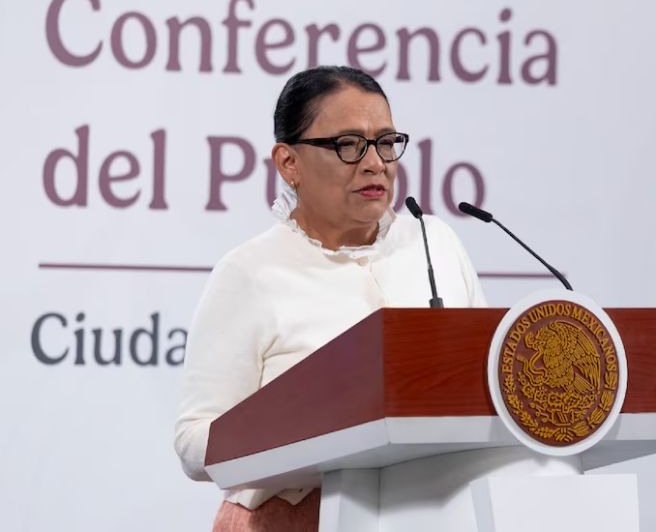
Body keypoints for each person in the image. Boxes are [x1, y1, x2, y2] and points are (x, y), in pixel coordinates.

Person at [173, 66, 486, 531]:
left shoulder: (434, 242)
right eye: (348, 145)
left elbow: (489, 388)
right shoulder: (250, 272)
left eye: (385, 142)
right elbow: (194, 441)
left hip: (435, 514)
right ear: (289, 163)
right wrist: (310, 429)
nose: (375, 163)